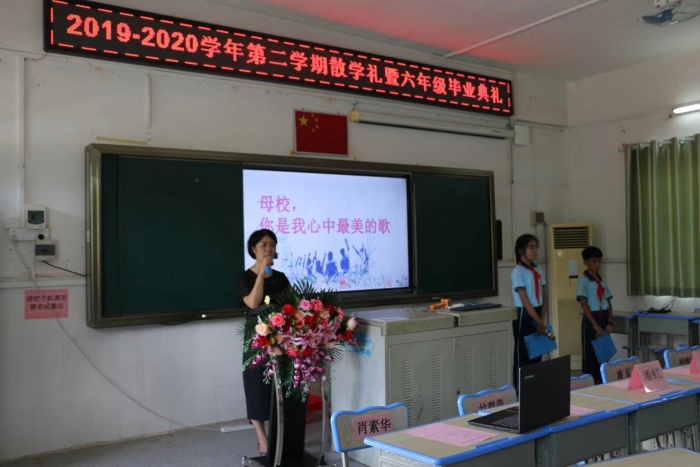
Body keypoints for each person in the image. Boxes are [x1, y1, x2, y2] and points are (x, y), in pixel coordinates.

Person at [239, 229, 291, 456]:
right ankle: (262, 437)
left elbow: (291, 305)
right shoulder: (245, 278)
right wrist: (261, 274)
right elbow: (252, 303)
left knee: (282, 387)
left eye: (272, 244)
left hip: (282, 337)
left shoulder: (281, 277)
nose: (269, 249)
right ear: (253, 249)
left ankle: (283, 435)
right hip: (257, 338)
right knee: (257, 387)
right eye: (263, 245)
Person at [511, 234, 548, 391]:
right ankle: (521, 392)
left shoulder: (537, 270)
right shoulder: (518, 271)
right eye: (531, 247)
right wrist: (539, 322)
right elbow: (525, 300)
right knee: (524, 357)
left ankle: (534, 388)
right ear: (521, 250)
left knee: (536, 355)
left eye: (536, 247)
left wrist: (542, 318)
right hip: (525, 315)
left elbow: (545, 295)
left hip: (538, 313)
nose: (535, 251)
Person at [577, 246, 613, 384]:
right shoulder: (584, 282)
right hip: (591, 318)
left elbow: (608, 301)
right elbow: (584, 305)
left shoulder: (602, 281)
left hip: (603, 316)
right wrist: (595, 325)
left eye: (599, 261)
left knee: (603, 351)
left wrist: (609, 322)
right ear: (585, 262)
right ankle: (590, 381)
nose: (597, 265)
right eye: (594, 261)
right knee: (590, 353)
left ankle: (602, 379)